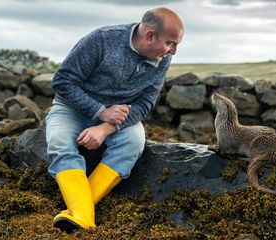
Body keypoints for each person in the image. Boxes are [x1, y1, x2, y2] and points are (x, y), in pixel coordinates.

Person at [45, 7, 184, 232]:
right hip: (70, 109)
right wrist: (100, 111)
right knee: (59, 141)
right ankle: (85, 216)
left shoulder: (162, 58)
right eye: (171, 43)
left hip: (118, 119)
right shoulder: (101, 40)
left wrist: (107, 127)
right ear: (149, 36)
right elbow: (62, 82)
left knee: (134, 142)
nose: (174, 51)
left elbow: (145, 104)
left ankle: (80, 212)